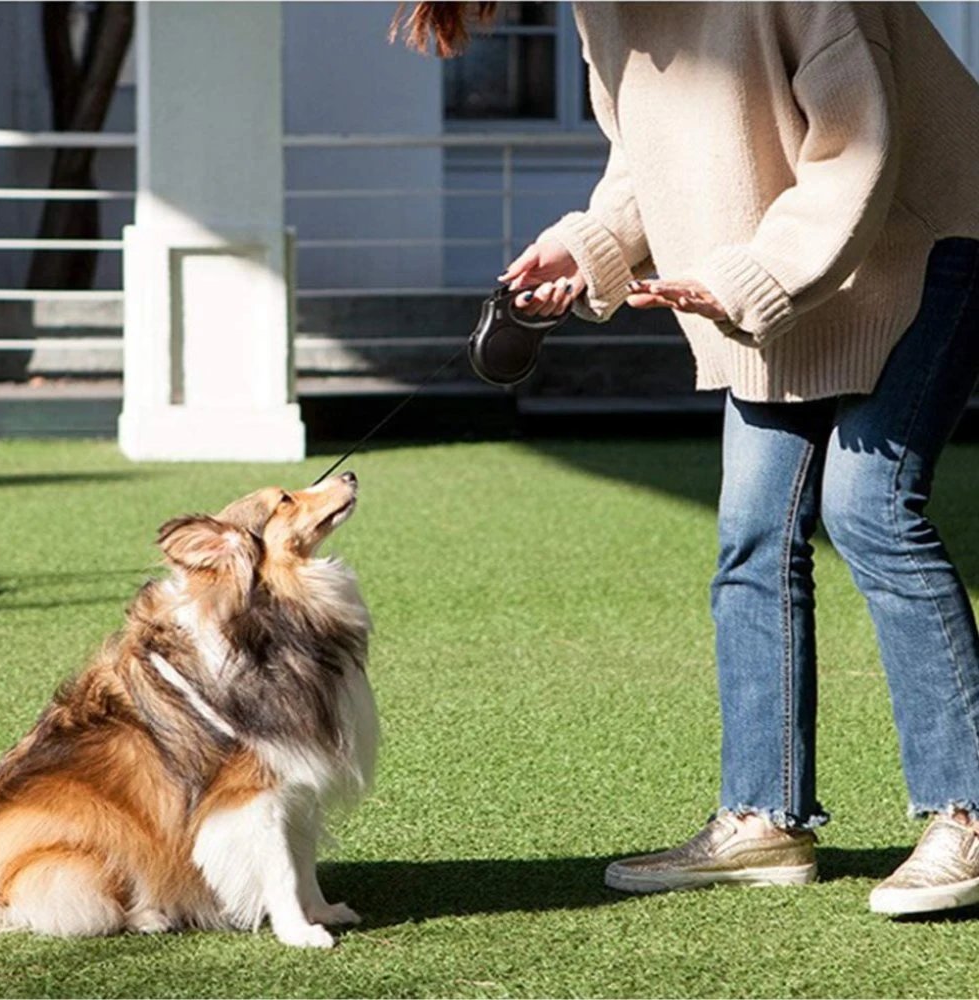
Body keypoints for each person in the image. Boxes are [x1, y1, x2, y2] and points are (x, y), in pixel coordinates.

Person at [393, 2, 979, 916]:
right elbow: (652, 159)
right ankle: (763, 820)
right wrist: (589, 244)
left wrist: (754, 274)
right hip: (782, 264)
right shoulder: (602, 9)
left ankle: (971, 812)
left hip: (933, 228)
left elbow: (862, 150)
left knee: (869, 505)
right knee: (752, 530)